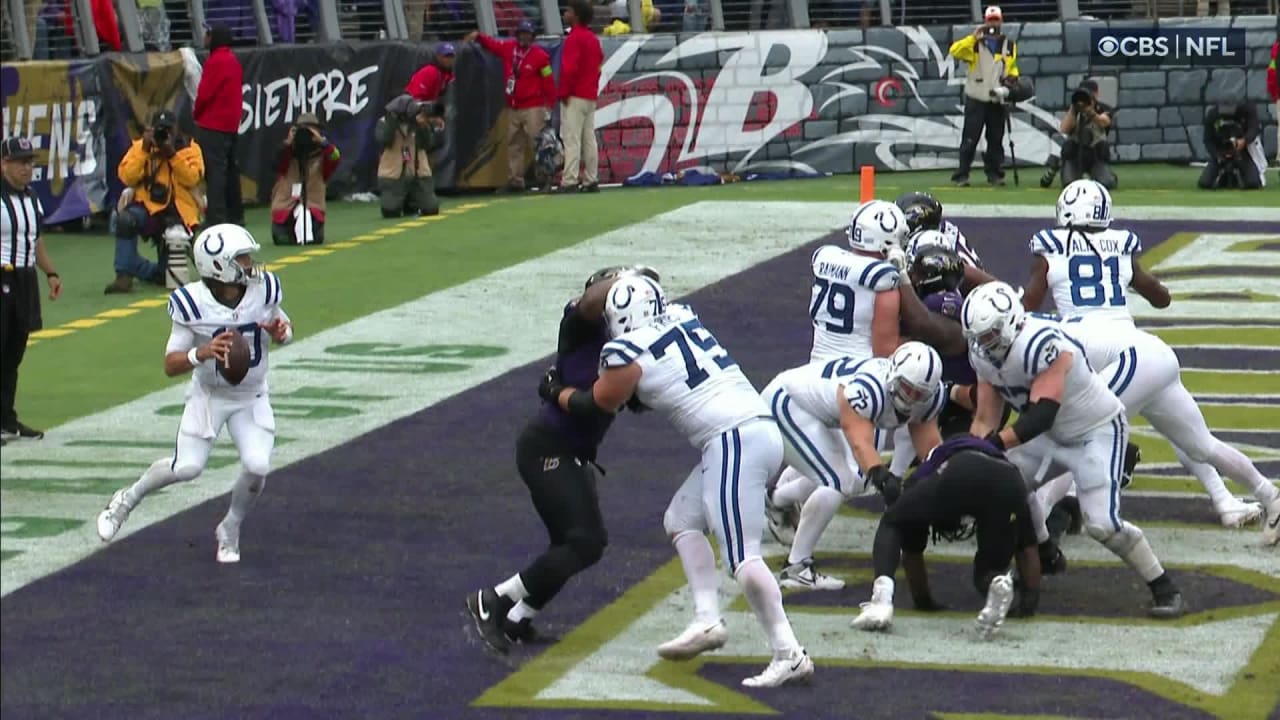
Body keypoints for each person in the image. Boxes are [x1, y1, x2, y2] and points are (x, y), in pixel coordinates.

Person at [542, 276, 814, 687]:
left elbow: (593, 402)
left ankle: (788, 653)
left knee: (743, 557)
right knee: (681, 520)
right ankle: (707, 620)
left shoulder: (624, 349)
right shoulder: (685, 317)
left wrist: (554, 390)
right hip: (756, 429)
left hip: (732, 438)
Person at [1021, 180, 1280, 538]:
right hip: (1143, 347)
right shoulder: (1122, 245)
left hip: (1112, 352)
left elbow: (1028, 304)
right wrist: (1130, 276)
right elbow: (1161, 298)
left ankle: (1037, 515)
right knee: (1201, 444)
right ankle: (1269, 496)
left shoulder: (1048, 247)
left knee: (1087, 434)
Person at [961, 281, 1185, 618]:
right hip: (1049, 435)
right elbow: (985, 416)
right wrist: (972, 453)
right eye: (977, 336)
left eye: (989, 334)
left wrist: (995, 445)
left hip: (1094, 431)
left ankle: (1163, 586)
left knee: (1103, 525)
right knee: (1004, 484)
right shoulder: (983, 353)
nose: (983, 344)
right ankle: (1045, 548)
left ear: (1010, 323)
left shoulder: (1045, 343)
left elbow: (1040, 414)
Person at [465, 265, 657, 654]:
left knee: (568, 544)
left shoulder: (627, 343)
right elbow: (588, 305)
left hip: (572, 451)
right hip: (549, 447)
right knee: (585, 541)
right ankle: (494, 600)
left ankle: (518, 619)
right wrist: (627, 279)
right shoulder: (583, 325)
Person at [96, 224, 293, 563]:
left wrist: (281, 332)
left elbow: (285, 330)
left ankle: (230, 527)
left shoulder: (264, 289)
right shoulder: (192, 302)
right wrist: (200, 353)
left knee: (258, 466)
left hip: (252, 395)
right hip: (209, 395)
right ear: (219, 265)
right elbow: (170, 364)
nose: (249, 264)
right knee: (187, 468)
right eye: (241, 258)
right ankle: (127, 499)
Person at [761, 342, 947, 591]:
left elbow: (930, 447)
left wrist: (945, 478)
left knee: (855, 480)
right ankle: (797, 566)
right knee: (839, 481)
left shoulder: (928, 399)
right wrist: (883, 477)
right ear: (893, 376)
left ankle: (777, 499)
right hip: (788, 404)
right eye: (906, 388)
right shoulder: (869, 389)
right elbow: (860, 441)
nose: (910, 398)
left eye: (918, 393)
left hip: (821, 414)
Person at [850, 435, 1042, 638]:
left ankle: (881, 601)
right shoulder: (1002, 465)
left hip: (961, 468)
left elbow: (912, 552)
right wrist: (1030, 601)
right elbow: (1028, 547)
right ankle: (1000, 584)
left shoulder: (927, 468)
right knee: (987, 574)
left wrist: (923, 601)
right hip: (1010, 481)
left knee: (892, 521)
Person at [0, 137, 62, 445]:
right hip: (2, 278)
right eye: (20, 162)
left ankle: (6, 420)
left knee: (13, 354)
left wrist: (49, 271)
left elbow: (34, 240)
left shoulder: (32, 198)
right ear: (4, 163)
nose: (27, 168)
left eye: (29, 162)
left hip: (25, 280)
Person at [106, 110, 204, 294]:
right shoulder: (141, 148)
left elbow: (192, 178)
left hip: (178, 215)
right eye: (160, 130)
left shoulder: (190, 149)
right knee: (125, 220)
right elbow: (127, 177)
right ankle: (123, 277)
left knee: (168, 278)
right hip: (148, 210)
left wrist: (172, 154)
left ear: (176, 130)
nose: (164, 135)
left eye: (168, 130)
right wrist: (144, 150)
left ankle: (151, 270)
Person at [465, 22, 555, 192]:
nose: (524, 37)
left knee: (538, 144)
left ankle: (545, 179)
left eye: (527, 34)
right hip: (513, 106)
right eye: (521, 33)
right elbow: (492, 45)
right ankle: (515, 180)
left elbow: (548, 81)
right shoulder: (509, 48)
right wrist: (478, 36)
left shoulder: (541, 56)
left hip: (533, 107)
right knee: (514, 144)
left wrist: (549, 105)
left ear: (532, 37)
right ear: (517, 34)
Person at [948, 5, 1020, 187]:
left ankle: (994, 173)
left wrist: (1012, 79)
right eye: (990, 21)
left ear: (1001, 21)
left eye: (996, 20)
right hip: (976, 98)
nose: (993, 24)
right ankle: (962, 174)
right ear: (985, 21)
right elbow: (954, 51)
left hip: (997, 98)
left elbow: (1012, 68)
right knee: (970, 138)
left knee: (996, 139)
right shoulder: (974, 44)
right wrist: (974, 36)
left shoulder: (1009, 45)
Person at [194, 23, 244, 227]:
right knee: (231, 172)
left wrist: (196, 113)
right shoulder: (232, 60)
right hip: (230, 126)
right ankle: (236, 216)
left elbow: (205, 94)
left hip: (213, 125)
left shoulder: (215, 62)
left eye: (208, 34)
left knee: (215, 173)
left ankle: (215, 218)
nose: (205, 38)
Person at [270, 113, 340, 246]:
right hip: (285, 209)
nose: (306, 134)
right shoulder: (286, 152)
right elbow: (274, 164)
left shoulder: (323, 154)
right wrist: (288, 143)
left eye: (311, 130)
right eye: (303, 130)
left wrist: (323, 142)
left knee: (315, 239)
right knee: (282, 240)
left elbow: (335, 157)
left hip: (313, 209)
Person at [556, 0, 603, 193]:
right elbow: (599, 64)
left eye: (568, 10)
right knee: (588, 139)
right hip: (589, 95)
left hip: (574, 95)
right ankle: (591, 179)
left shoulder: (574, 38)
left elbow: (569, 69)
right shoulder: (592, 38)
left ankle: (570, 180)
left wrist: (564, 93)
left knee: (572, 139)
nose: (565, 13)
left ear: (575, 15)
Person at [1041, 81, 1116, 190]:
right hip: (1076, 155)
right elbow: (1064, 129)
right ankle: (1065, 168)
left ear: (1096, 94)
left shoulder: (1103, 108)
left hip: (1095, 155)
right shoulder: (1074, 110)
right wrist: (1073, 109)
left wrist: (1091, 112)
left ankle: (1110, 176)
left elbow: (1105, 122)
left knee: (1105, 185)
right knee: (1070, 185)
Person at [376, 95, 442, 218]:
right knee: (390, 211)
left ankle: (412, 203)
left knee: (431, 209)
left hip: (418, 172)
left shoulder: (422, 123)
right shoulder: (385, 122)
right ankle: (402, 202)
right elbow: (385, 140)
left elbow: (427, 145)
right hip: (394, 173)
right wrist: (393, 121)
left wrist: (423, 127)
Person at [1199, 102, 1266, 190]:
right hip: (1220, 150)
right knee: (1205, 183)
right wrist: (1217, 154)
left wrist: (1244, 141)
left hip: (1243, 150)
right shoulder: (1212, 114)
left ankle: (1254, 173)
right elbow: (1208, 139)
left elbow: (1254, 129)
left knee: (1253, 183)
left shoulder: (1248, 110)